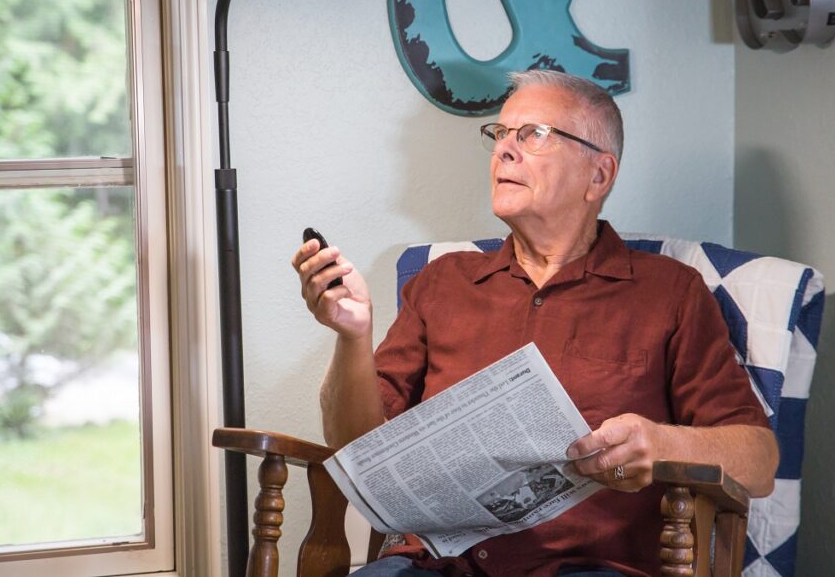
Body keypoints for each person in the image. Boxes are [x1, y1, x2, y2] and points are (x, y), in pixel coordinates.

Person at [292, 70, 778, 577]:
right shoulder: (442, 283)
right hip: (435, 567)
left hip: (585, 569)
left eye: (534, 134)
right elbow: (356, 446)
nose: (504, 150)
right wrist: (352, 336)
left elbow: (758, 460)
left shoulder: (670, 292)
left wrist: (659, 445)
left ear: (599, 175)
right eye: (500, 134)